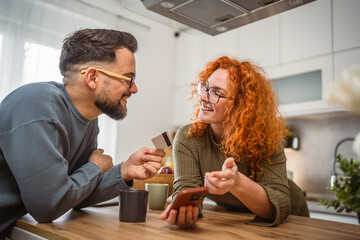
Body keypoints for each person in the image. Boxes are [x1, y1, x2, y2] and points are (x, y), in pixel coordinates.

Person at [0, 29, 165, 237]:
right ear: (93, 77)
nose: (134, 89)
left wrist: (125, 170)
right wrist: (95, 166)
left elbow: (75, 194)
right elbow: (48, 206)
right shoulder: (40, 106)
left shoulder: (89, 120)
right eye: (128, 79)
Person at [160, 56, 309, 228]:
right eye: (205, 87)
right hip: (238, 220)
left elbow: (280, 205)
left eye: (217, 92)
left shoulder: (265, 140)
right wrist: (185, 208)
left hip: (292, 219)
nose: (203, 97)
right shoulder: (188, 137)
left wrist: (237, 183)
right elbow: (186, 189)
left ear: (240, 105)